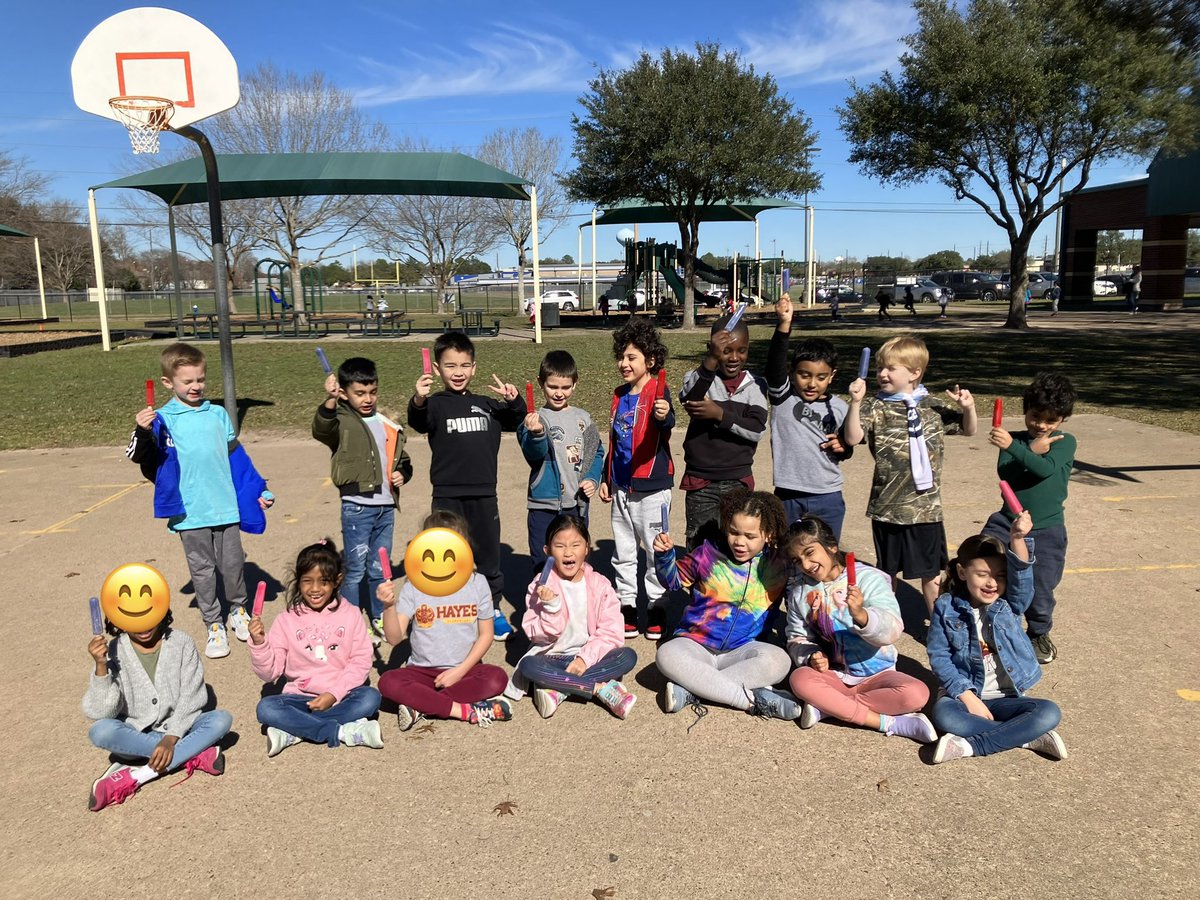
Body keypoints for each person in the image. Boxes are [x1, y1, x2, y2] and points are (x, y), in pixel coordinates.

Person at [126, 342, 274, 660]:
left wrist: (257, 488)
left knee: (234, 563)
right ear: (168, 383)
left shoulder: (218, 415)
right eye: (187, 381)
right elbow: (140, 455)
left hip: (225, 507)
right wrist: (141, 430)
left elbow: (238, 460)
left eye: (200, 379)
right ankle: (213, 624)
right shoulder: (162, 419)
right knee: (203, 570)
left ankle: (237, 611)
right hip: (191, 513)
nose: (196, 386)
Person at [843, 335, 978, 615]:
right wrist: (855, 403)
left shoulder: (933, 406)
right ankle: (886, 620)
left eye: (891, 368)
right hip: (888, 507)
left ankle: (938, 623)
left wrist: (969, 409)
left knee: (931, 574)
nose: (882, 373)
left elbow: (968, 430)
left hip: (926, 508)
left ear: (915, 372)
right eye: (880, 367)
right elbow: (853, 438)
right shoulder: (874, 406)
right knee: (887, 574)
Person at [409, 331, 526, 641]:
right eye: (450, 366)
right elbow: (418, 420)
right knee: (446, 555)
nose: (458, 372)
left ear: (474, 368)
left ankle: (492, 609)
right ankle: (448, 608)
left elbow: (518, 418)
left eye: (464, 365)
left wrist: (514, 399)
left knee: (488, 556)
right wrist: (419, 398)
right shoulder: (434, 405)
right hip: (447, 495)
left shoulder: (485, 404)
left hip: (484, 494)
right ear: (437, 369)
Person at [926, 517, 1068, 764]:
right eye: (982, 575)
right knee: (944, 716)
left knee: (1048, 712)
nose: (992, 583)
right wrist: (967, 696)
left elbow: (1022, 573)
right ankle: (1025, 736)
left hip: (1008, 697)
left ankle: (970, 746)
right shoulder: (945, 607)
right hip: (965, 695)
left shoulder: (1008, 605)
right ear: (962, 572)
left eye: (1000, 576)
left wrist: (1017, 538)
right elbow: (939, 658)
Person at [783, 516, 936, 743]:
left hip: (880, 675)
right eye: (797, 560)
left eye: (809, 553)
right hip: (834, 675)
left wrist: (863, 617)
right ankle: (889, 722)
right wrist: (811, 655)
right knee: (800, 678)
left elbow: (893, 629)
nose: (805, 565)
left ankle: (830, 707)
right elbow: (797, 638)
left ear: (831, 547)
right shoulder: (799, 593)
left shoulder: (869, 579)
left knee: (917, 693)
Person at [653, 489, 798, 721]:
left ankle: (694, 690)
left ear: (769, 535)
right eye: (733, 532)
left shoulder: (780, 565)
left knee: (779, 661)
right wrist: (664, 557)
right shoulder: (707, 554)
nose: (739, 542)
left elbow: (798, 604)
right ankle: (753, 700)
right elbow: (672, 581)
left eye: (750, 536)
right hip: (695, 644)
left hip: (743, 650)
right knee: (667, 654)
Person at [377, 510, 513, 729]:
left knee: (497, 677)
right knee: (388, 682)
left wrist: (458, 672)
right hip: (421, 671)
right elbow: (394, 638)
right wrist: (388, 606)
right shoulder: (414, 586)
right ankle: (464, 710)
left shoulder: (477, 583)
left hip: (465, 669)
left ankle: (420, 704)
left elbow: (486, 635)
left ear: (465, 548)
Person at [83, 609, 231, 811]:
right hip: (136, 736)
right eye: (134, 619)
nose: (143, 627)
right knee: (100, 731)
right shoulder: (115, 650)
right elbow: (101, 712)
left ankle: (136, 776)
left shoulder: (181, 642)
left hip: (180, 729)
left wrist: (171, 738)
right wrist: (101, 667)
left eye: (148, 616)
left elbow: (192, 697)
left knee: (221, 719)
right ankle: (193, 752)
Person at [249, 539, 382, 756]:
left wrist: (333, 694)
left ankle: (295, 730)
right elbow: (269, 673)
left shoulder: (351, 614)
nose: (315, 589)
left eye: (324, 581)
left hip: (342, 695)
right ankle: (340, 731)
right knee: (266, 708)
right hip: (301, 698)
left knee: (370, 697)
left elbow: (360, 661)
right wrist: (259, 643)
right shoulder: (286, 620)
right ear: (298, 581)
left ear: (337, 581)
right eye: (307, 581)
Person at [312, 357, 413, 643]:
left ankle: (381, 615)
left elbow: (402, 459)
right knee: (355, 568)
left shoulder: (386, 423)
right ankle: (353, 622)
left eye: (372, 392)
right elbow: (321, 428)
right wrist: (329, 402)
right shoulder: (341, 420)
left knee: (380, 570)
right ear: (344, 392)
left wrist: (402, 474)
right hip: (357, 507)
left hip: (386, 508)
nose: (367, 399)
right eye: (359, 393)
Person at [982, 373, 1077, 664]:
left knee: (1041, 585)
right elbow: (1006, 474)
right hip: (1007, 521)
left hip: (1047, 527)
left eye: (1051, 420)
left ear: (1062, 420)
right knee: (984, 564)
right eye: (1036, 416)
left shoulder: (1064, 441)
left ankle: (1038, 632)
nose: (1042, 426)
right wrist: (1016, 447)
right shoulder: (1015, 439)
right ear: (1026, 410)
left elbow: (1045, 469)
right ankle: (987, 624)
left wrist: (1017, 448)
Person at [511, 513, 639, 719]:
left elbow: (610, 633)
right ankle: (599, 689)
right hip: (552, 657)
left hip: (591, 657)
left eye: (575, 545)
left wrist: (583, 659)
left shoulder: (601, 584)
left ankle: (558, 689)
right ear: (547, 551)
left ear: (587, 548)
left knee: (627, 656)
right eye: (560, 546)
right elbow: (537, 636)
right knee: (528, 666)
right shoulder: (539, 586)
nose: (568, 553)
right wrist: (551, 606)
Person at [599, 318, 676, 640]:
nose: (624, 363)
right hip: (621, 487)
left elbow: (666, 421)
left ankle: (657, 606)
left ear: (650, 361)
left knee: (655, 550)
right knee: (624, 551)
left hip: (651, 489)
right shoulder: (619, 395)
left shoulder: (658, 391)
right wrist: (606, 476)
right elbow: (616, 440)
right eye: (622, 356)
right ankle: (627, 606)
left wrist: (663, 414)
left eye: (632, 357)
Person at [678, 311, 768, 552]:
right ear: (712, 349)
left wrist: (719, 414)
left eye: (742, 350)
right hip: (701, 481)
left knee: (737, 547)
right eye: (726, 351)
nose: (734, 358)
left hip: (737, 480)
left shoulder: (756, 386)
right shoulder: (699, 378)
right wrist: (710, 361)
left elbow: (757, 429)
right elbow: (690, 399)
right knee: (700, 548)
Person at [766, 294, 851, 538]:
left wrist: (843, 447)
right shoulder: (784, 398)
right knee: (784, 553)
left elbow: (847, 448)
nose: (812, 383)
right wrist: (784, 325)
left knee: (824, 555)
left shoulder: (839, 407)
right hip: (788, 495)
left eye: (821, 377)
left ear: (832, 376)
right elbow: (774, 366)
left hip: (828, 495)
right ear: (792, 372)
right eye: (804, 375)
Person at [517, 350, 605, 571]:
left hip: (576, 506)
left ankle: (574, 604)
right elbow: (533, 454)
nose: (559, 393)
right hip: (543, 506)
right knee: (543, 561)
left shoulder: (583, 418)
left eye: (565, 387)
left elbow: (596, 452)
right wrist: (537, 433)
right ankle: (544, 603)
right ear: (541, 383)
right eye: (553, 387)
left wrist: (593, 479)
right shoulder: (535, 419)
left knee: (575, 561)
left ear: (575, 384)